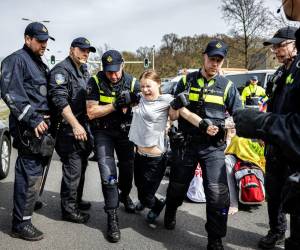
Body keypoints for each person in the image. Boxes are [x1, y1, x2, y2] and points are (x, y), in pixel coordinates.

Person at [164, 40, 242, 250]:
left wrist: (230, 126)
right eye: (211, 58)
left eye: (219, 60)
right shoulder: (186, 81)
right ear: (204, 56)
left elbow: (239, 115)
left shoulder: (227, 87)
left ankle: (215, 239)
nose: (214, 63)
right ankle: (170, 212)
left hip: (213, 148)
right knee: (177, 188)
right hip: (186, 145)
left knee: (217, 195)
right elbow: (174, 110)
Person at [233, 26, 300, 250]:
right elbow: (270, 106)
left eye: (280, 45)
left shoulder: (299, 70)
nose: (276, 50)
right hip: (274, 144)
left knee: (294, 197)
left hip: (294, 146)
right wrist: (264, 134)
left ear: (294, 44)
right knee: (273, 192)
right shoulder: (278, 74)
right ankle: (276, 231)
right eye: (274, 46)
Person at [129, 69, 216, 224]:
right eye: (142, 86)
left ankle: (156, 205)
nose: (145, 90)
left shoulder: (167, 99)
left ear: (158, 84)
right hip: (139, 154)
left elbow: (183, 115)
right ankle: (147, 201)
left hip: (156, 157)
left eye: (148, 86)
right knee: (139, 186)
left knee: (146, 194)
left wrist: (204, 125)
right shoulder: (140, 98)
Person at [0, 22, 54, 241]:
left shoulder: (38, 63)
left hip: (43, 126)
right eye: (40, 40)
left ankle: (28, 204)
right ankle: (20, 223)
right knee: (29, 172)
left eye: (46, 41)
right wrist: (33, 119)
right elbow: (11, 93)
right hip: (29, 127)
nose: (44, 45)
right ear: (27, 39)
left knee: (37, 171)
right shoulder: (16, 60)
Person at [86, 50, 139, 242]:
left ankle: (125, 195)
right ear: (104, 69)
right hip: (103, 133)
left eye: (117, 71)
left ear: (123, 65)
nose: (114, 76)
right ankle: (112, 217)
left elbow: (145, 105)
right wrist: (115, 105)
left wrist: (135, 101)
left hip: (126, 133)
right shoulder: (95, 81)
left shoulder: (133, 82)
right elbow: (91, 112)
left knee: (127, 172)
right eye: (109, 72)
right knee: (108, 176)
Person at [48, 37, 96, 223]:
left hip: (83, 128)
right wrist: (75, 125)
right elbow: (60, 101)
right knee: (72, 169)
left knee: (81, 166)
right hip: (68, 129)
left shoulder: (83, 69)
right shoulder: (61, 71)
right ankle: (68, 210)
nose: (86, 53)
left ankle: (76, 200)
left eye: (88, 51)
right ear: (71, 50)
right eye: (82, 50)